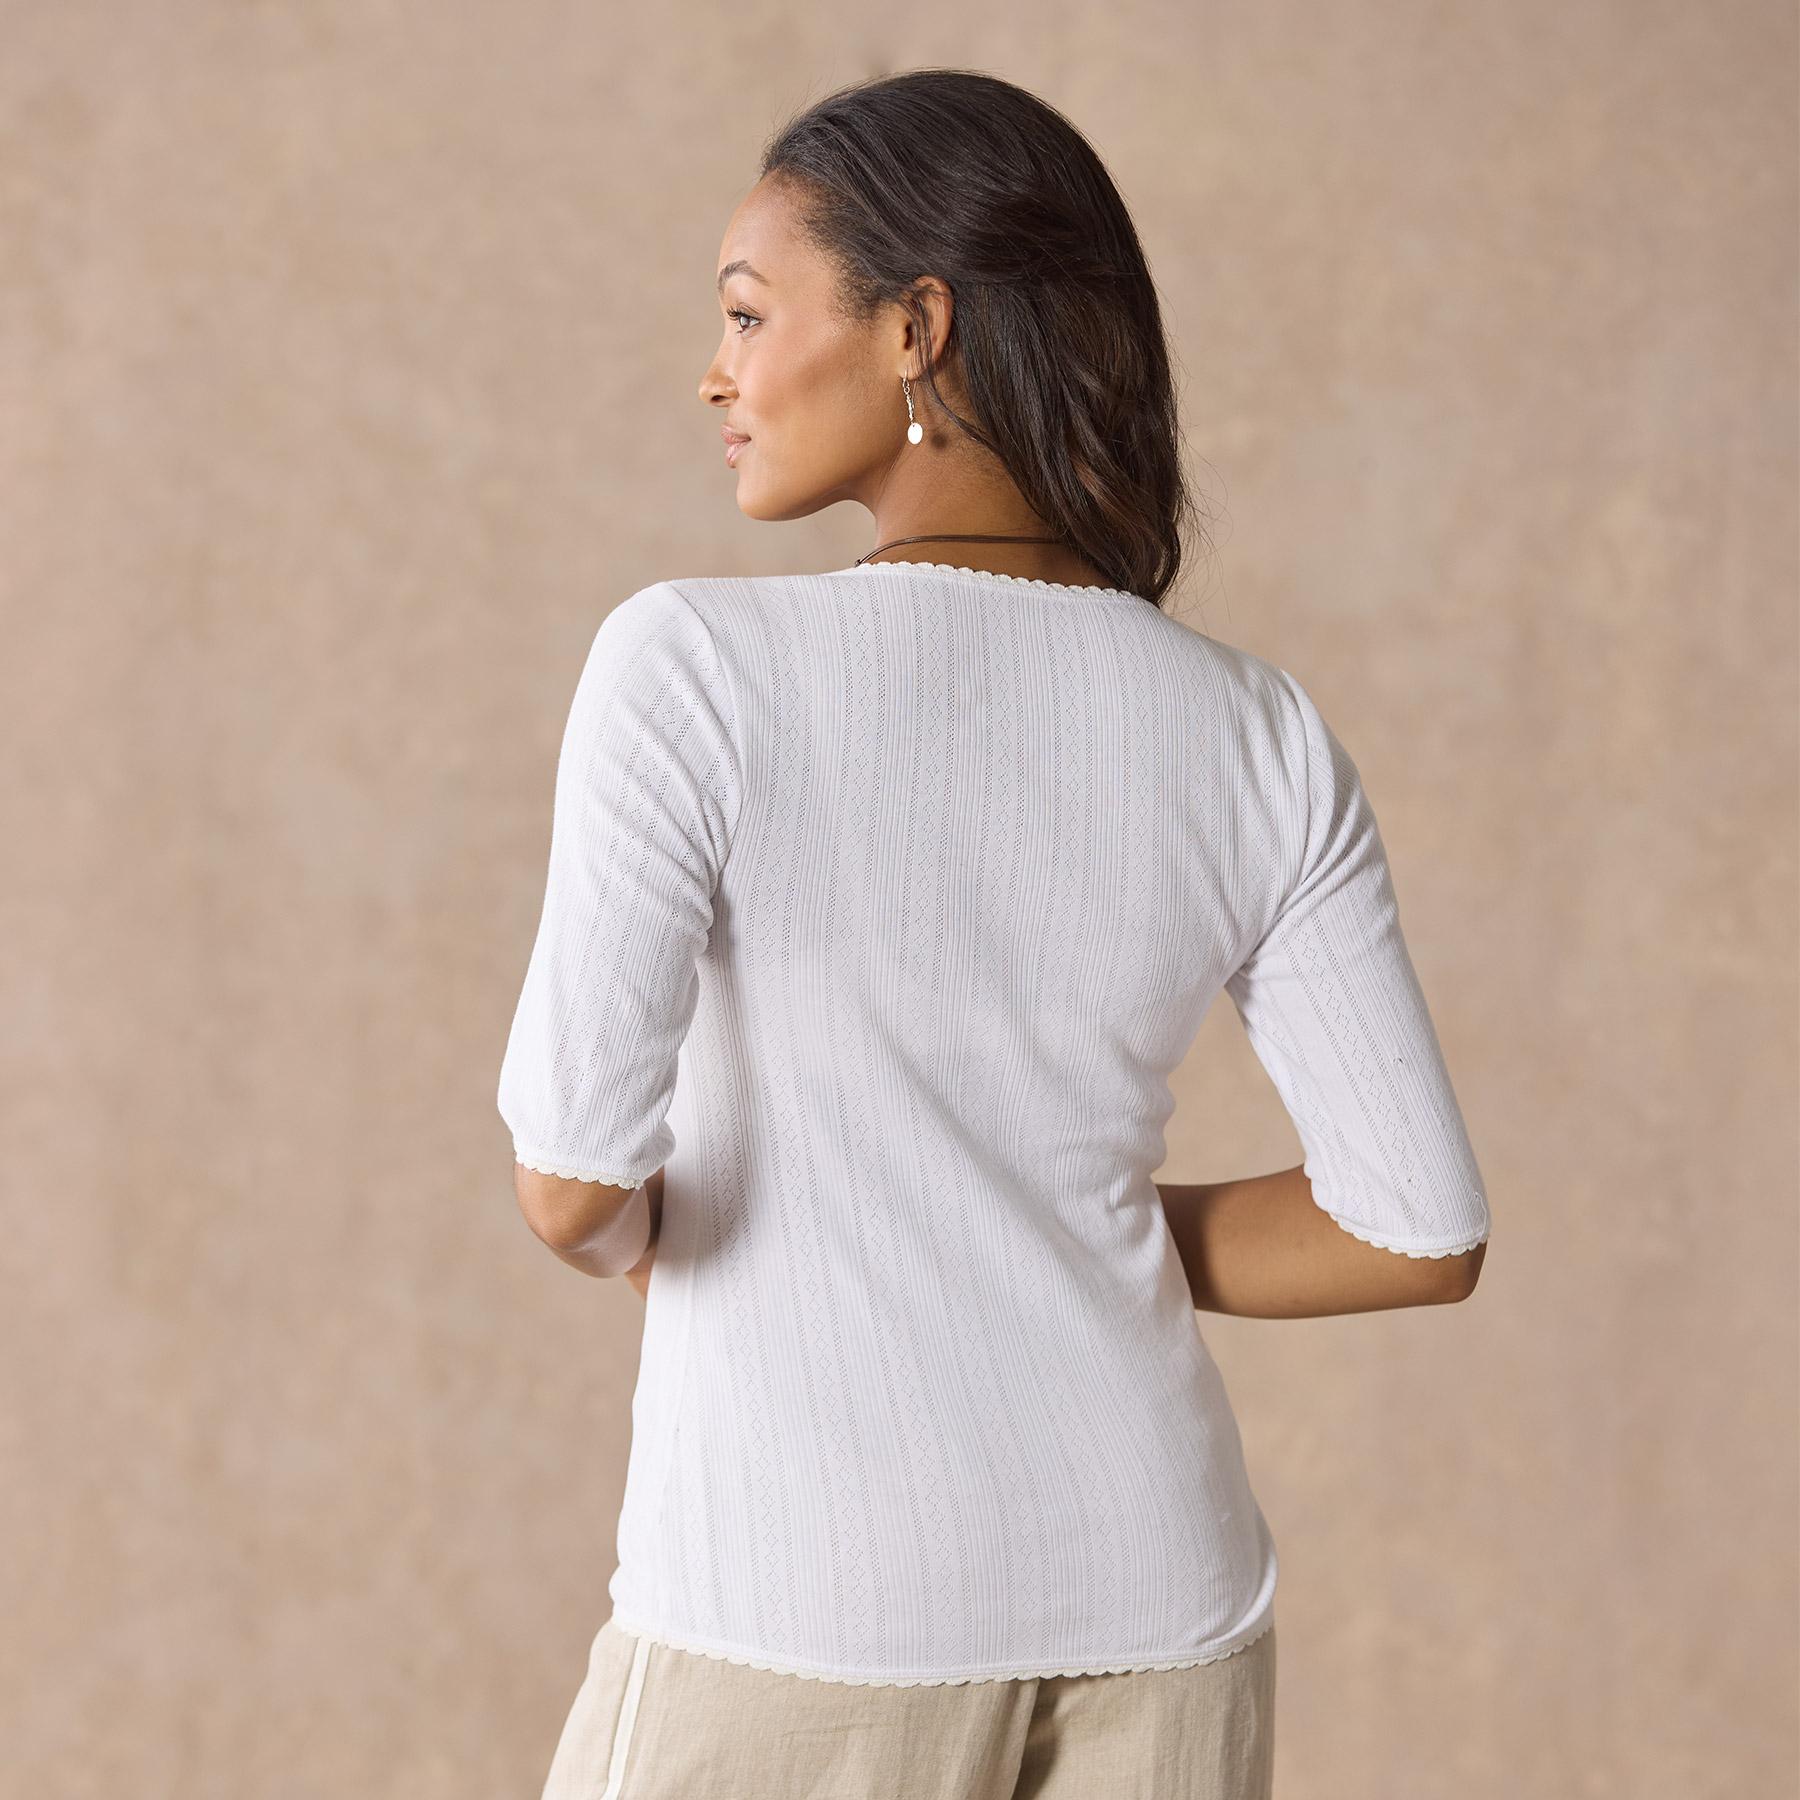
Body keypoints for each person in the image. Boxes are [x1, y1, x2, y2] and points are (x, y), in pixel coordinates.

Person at [497, 66, 1490, 1800]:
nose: (715, 372)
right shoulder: (1256, 731)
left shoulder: (692, 669)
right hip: (1165, 1618)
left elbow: (574, 1183)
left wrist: (903, 1219)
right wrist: (1033, 1221)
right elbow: (1414, 1232)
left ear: (916, 329)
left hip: (802, 1607)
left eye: (749, 312)